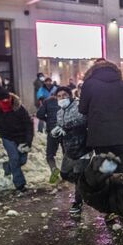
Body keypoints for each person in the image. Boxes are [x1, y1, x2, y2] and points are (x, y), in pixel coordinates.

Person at [79, 59, 123, 174]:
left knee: (104, 170)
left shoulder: (89, 85)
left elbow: (82, 109)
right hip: (121, 135)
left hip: (99, 136)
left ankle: (107, 190)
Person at [51, 86, 90, 214]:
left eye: (64, 95)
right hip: (69, 149)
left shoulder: (78, 105)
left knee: (78, 176)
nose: (62, 98)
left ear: (70, 96)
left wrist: (66, 127)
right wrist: (56, 131)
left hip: (83, 147)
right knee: (65, 173)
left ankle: (77, 202)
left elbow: (83, 119)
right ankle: (86, 184)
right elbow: (60, 125)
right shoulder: (59, 112)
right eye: (59, 96)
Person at [0, 90, 34, 191]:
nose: (5, 102)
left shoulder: (19, 108)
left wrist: (28, 141)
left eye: (6, 99)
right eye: (2, 100)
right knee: (14, 158)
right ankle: (20, 184)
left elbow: (29, 125)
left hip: (21, 137)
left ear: (10, 98)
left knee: (22, 160)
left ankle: (8, 167)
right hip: (7, 137)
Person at [36, 90, 62, 183]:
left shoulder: (47, 101)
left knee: (50, 155)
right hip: (64, 129)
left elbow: (39, 114)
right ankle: (66, 173)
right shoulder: (66, 101)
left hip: (52, 130)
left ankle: (54, 169)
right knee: (67, 153)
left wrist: (47, 120)